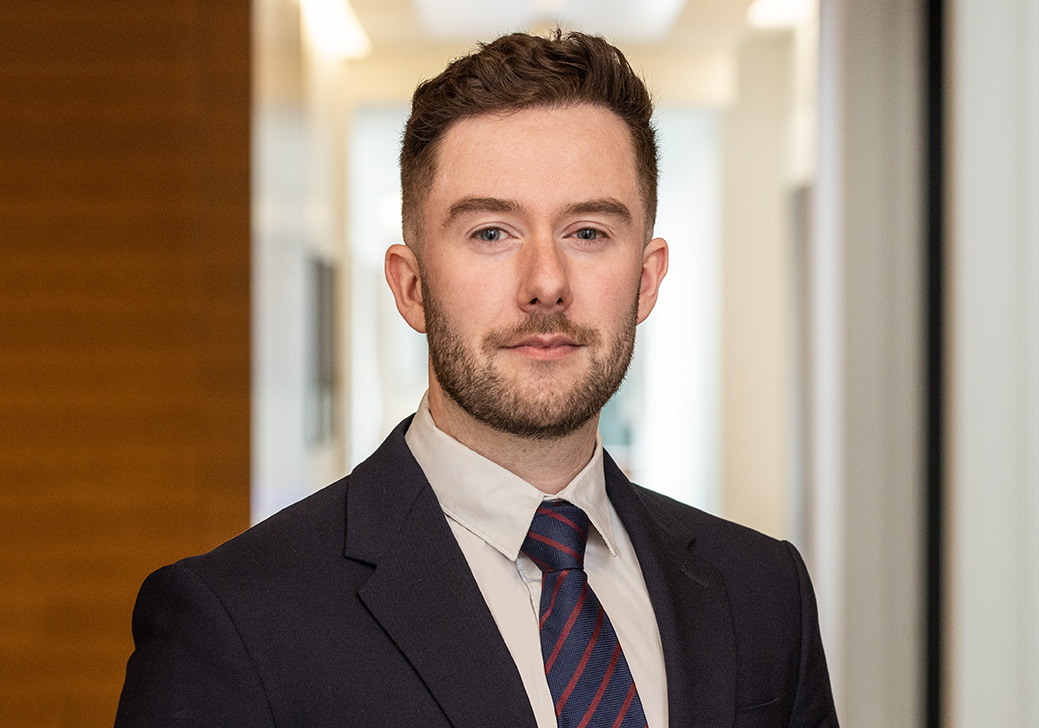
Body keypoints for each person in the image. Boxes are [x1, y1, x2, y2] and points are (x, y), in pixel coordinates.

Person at [115, 30, 838, 728]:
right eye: (492, 232)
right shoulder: (237, 622)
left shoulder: (764, 593)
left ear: (646, 280)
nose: (546, 282)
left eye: (588, 232)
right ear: (411, 287)